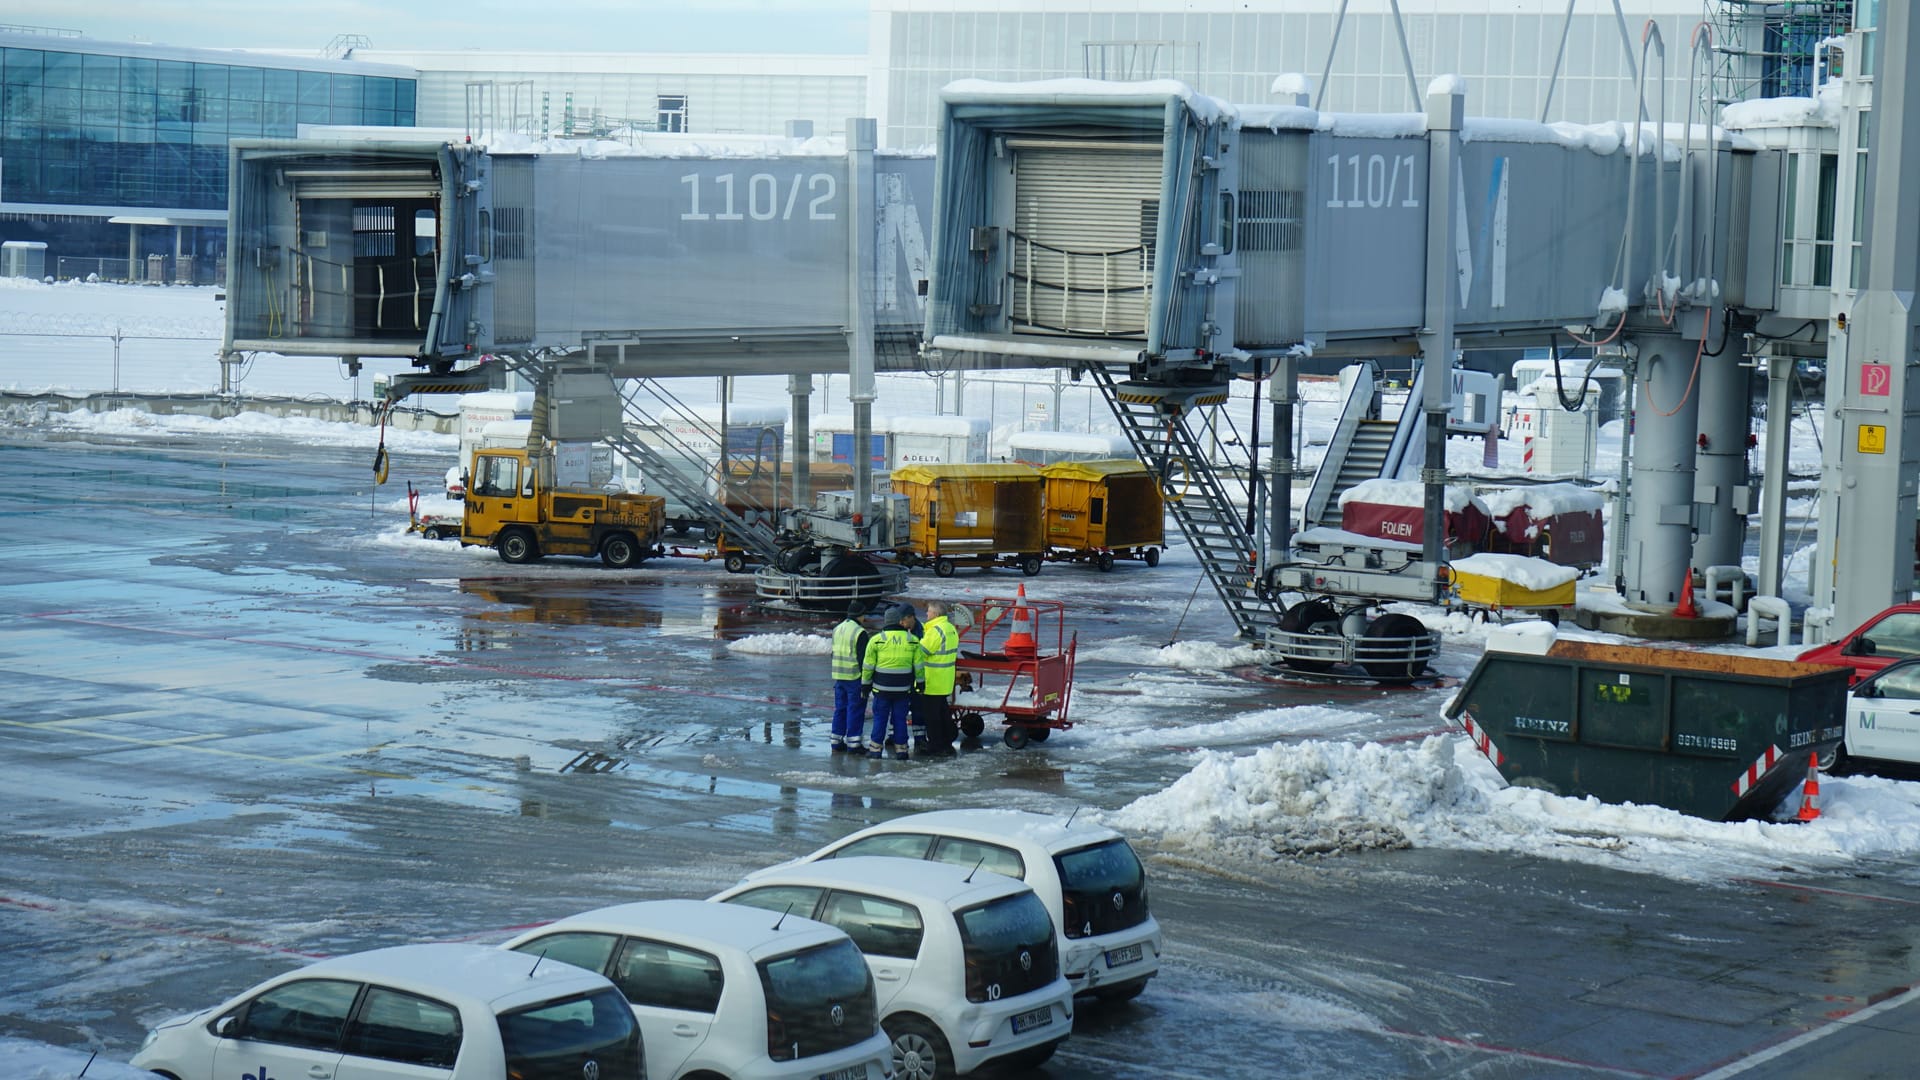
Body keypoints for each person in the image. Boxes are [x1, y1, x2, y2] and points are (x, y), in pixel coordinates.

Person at [862, 604, 921, 760]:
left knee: (880, 719)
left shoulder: (876, 640)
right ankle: (902, 751)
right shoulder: (913, 641)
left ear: (886, 621)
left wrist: (865, 686)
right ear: (900, 621)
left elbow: (868, 667)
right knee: (900, 719)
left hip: (881, 689)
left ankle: (875, 751)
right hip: (903, 690)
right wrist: (920, 684)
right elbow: (919, 667)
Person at [913, 600, 961, 756]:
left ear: (935, 614)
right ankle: (945, 743)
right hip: (945, 679)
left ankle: (935, 746)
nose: (926, 614)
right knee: (942, 713)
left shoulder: (935, 631)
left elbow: (922, 651)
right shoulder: (950, 628)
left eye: (928, 611)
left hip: (932, 680)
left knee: (932, 716)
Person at [828, 600, 874, 753]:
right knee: (855, 709)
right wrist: (867, 681)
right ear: (860, 615)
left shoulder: (837, 629)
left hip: (839, 675)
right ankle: (854, 744)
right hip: (854, 677)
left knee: (840, 709)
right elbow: (864, 660)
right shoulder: (859, 632)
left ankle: (836, 742)